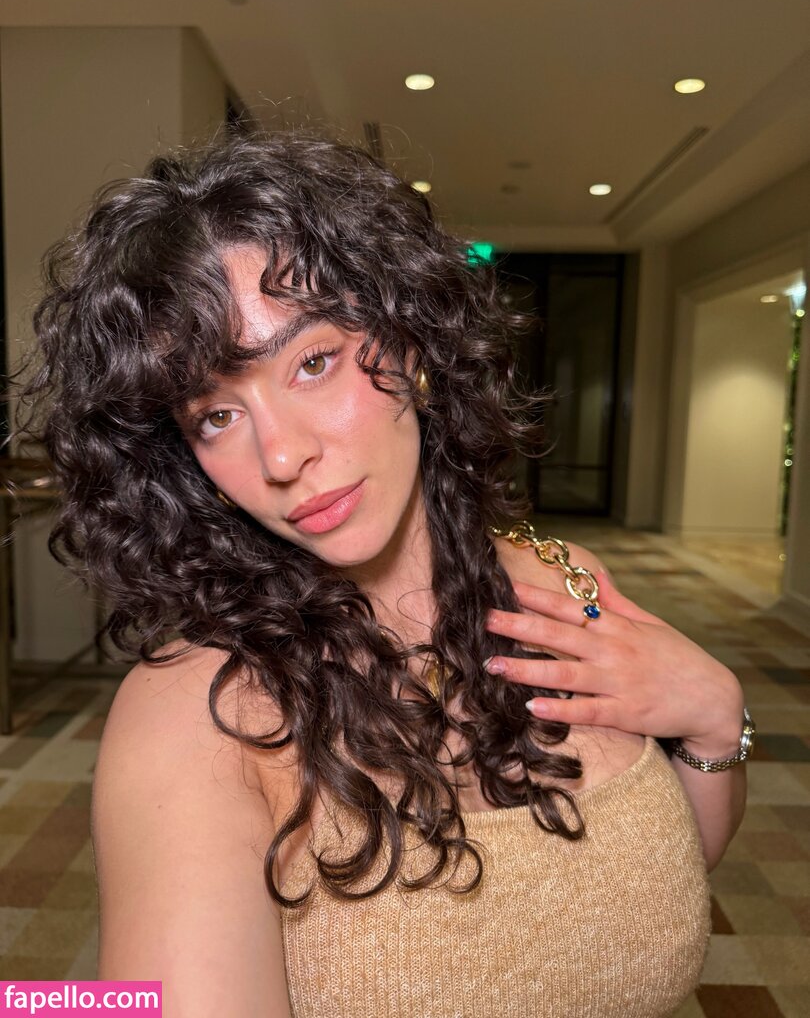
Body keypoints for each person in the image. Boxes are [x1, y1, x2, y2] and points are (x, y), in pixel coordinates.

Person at [20, 132, 749, 1018]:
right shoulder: (197, 714)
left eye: (312, 362)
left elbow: (657, 881)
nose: (281, 455)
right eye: (215, 415)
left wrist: (715, 722)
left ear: (412, 342)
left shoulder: (569, 581)